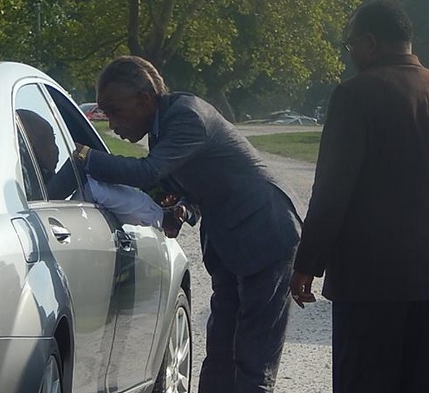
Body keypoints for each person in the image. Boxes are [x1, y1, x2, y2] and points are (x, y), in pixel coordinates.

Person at [74, 55, 302, 393]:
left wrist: (82, 156)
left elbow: (148, 172)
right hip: (230, 241)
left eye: (114, 111)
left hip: (264, 233)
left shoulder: (186, 116)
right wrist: (182, 208)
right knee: (220, 351)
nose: (112, 125)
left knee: (254, 359)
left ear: (144, 99)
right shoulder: (163, 124)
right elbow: (191, 180)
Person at [290, 1, 429, 392]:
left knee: (365, 382)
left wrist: (307, 263)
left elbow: (332, 191)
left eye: (350, 43)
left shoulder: (356, 95)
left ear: (369, 42)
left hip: (370, 279)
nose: (350, 52)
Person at [17, 108, 186, 232]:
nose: (58, 148)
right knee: (92, 181)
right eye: (51, 140)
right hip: (41, 220)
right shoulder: (26, 176)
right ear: (29, 145)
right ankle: (163, 219)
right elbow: (95, 187)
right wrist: (83, 156)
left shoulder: (19, 173)